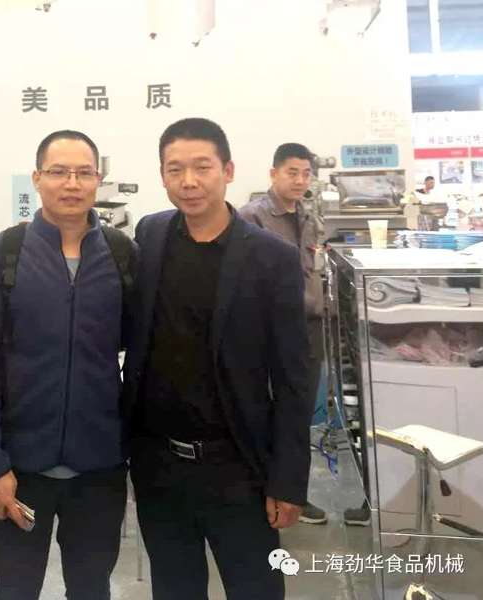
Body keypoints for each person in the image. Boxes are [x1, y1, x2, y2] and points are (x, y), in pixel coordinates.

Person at [123, 118, 312, 600]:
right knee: (174, 587)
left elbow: (293, 378)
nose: (189, 181)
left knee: (256, 588)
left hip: (238, 466)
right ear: (162, 176)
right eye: (175, 169)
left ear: (227, 171)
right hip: (159, 463)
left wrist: (288, 480)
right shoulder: (151, 234)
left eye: (202, 167)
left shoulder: (272, 258)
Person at [0, 130, 133, 600]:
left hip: (99, 469)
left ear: (97, 179)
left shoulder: (122, 255)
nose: (71, 183)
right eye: (58, 172)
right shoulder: (2, 254)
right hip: (19, 470)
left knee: (92, 587)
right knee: (15, 588)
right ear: (37, 178)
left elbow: (139, 353)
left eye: (83, 173)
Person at [239, 142, 328, 525]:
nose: (300, 180)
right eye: (293, 172)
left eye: (306, 174)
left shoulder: (308, 215)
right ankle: (263, 489)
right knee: (266, 409)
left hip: (309, 327)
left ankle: (293, 491)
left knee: (299, 411)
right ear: (273, 173)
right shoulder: (252, 217)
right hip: (269, 332)